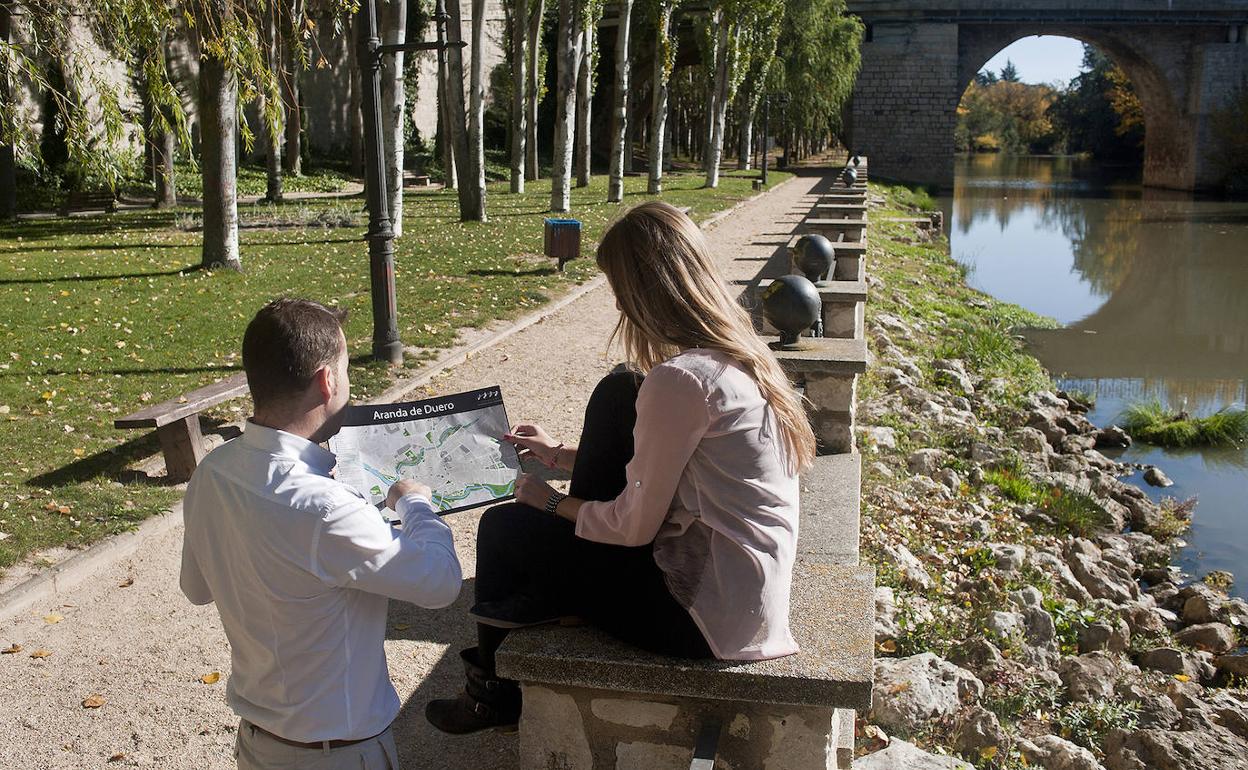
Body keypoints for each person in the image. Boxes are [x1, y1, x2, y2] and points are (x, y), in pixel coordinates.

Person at [425, 201, 816, 734]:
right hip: (742, 600)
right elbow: (664, 468)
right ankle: (539, 616)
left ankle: (493, 694)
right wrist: (560, 456)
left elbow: (633, 527)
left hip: (699, 621)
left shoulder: (681, 380)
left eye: (618, 291)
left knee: (504, 527)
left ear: (642, 292)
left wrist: (549, 500)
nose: (617, 306)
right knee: (619, 392)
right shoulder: (738, 358)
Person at [180, 298, 462, 769]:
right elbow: (441, 583)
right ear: (327, 380)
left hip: (258, 743)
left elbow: (197, 589)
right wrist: (415, 503)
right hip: (337, 754)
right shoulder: (326, 508)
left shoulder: (213, 471)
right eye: (347, 370)